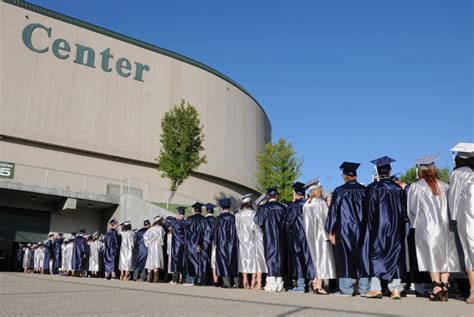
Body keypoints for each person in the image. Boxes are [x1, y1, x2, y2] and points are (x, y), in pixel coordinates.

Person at [408, 155, 461, 301]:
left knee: (432, 256)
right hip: (447, 227)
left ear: (420, 170)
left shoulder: (416, 187)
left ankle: (436, 285)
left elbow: (412, 209)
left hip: (427, 227)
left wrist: (414, 224)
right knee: (446, 256)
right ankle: (445, 285)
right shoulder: (445, 186)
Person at [364, 156, 408, 300]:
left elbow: (369, 211)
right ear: (390, 171)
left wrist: (368, 226)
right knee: (395, 254)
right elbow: (404, 210)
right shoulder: (398, 189)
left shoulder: (372, 188)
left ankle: (376, 288)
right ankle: (395, 290)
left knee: (377, 253)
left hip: (378, 226)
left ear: (377, 171)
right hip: (396, 226)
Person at [325, 162, 369, 297]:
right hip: (362, 229)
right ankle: (364, 288)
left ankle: (346, 289)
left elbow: (333, 212)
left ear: (345, 176)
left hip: (344, 229)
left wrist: (330, 231)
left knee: (344, 258)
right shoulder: (365, 190)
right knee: (363, 257)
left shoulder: (339, 191)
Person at [448, 143, 474, 304]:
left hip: (468, 215)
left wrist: (453, 218)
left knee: (470, 250)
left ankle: (473, 290)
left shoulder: (458, 173)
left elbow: (454, 197)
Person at [303, 179, 336, 294]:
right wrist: (329, 234)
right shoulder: (320, 203)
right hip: (321, 236)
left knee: (316, 259)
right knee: (322, 259)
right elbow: (325, 220)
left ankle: (316, 281)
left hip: (311, 236)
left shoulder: (307, 204)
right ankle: (318, 284)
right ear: (317, 190)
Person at [254, 188, 288, 292]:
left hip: (268, 236)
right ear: (276, 196)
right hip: (281, 237)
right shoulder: (283, 207)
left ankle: (271, 284)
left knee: (270, 257)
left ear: (268, 197)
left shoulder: (264, 208)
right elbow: (288, 222)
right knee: (280, 257)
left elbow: (258, 221)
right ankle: (280, 283)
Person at [285, 182, 316, 294]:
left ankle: (301, 285)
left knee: (299, 259)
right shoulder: (310, 203)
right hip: (311, 235)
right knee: (310, 258)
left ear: (295, 193)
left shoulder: (293, 206)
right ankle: (311, 284)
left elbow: (288, 222)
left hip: (297, 236)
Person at [235, 194, 267, 290]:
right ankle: (253, 281)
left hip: (242, 240)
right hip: (253, 239)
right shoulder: (254, 213)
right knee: (254, 260)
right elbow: (256, 228)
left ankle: (245, 280)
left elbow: (237, 228)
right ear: (250, 203)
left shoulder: (237, 215)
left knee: (243, 260)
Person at [184, 202, 213, 286]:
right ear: (201, 210)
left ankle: (192, 279)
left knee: (191, 261)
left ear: (194, 210)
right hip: (202, 243)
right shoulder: (204, 219)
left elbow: (184, 230)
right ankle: (200, 278)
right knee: (201, 261)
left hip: (191, 243)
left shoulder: (189, 219)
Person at [214, 198, 239, 288]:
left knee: (223, 262)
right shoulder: (234, 218)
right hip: (233, 243)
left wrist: (216, 243)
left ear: (222, 207)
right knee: (233, 261)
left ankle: (226, 283)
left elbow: (215, 232)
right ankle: (237, 282)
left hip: (222, 243)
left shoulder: (218, 219)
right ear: (229, 207)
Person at [165, 207, 187, 283]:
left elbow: (167, 219)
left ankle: (175, 279)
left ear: (178, 214)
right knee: (183, 261)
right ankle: (183, 279)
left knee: (175, 261)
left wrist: (170, 226)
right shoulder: (186, 222)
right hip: (185, 244)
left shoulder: (175, 222)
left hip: (176, 244)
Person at [144, 216, 166, 283]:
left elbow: (145, 236)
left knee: (150, 260)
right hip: (157, 245)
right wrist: (160, 242)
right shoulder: (160, 228)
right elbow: (162, 237)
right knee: (157, 260)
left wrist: (148, 243)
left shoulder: (150, 228)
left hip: (151, 245)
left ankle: (150, 277)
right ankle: (156, 277)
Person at [204, 203, 218, 286]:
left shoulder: (203, 219)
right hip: (213, 242)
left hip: (205, 242)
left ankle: (206, 279)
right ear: (213, 211)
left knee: (205, 261)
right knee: (213, 261)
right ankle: (214, 279)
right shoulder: (216, 219)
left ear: (206, 211)